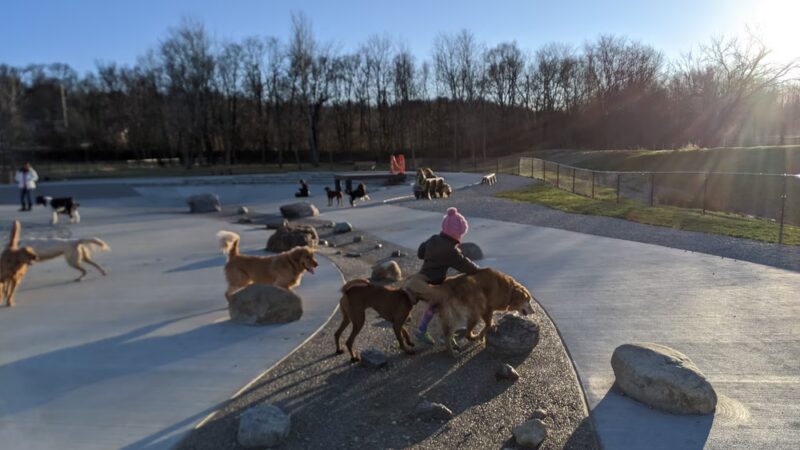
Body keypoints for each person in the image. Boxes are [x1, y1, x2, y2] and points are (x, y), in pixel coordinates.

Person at [408, 207, 479, 345]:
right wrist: (478, 269)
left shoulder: (433, 238)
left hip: (422, 278)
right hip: (433, 283)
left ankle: (422, 330)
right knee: (451, 303)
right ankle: (446, 335)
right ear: (456, 233)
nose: (461, 237)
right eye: (460, 234)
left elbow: (420, 253)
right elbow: (468, 267)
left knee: (435, 305)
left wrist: (431, 256)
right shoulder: (451, 250)